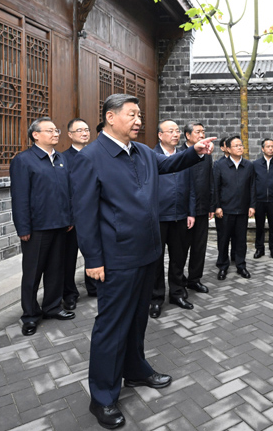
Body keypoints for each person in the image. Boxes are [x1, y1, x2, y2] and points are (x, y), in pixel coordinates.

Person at [70, 94, 216, 429]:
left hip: (147, 253)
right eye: (132, 115)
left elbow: (167, 165)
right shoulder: (91, 157)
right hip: (116, 257)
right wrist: (92, 259)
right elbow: (85, 213)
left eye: (140, 115)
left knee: (137, 320)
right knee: (111, 326)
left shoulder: (143, 153)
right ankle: (103, 397)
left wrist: (194, 153)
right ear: (110, 117)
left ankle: (135, 370)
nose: (139, 121)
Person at [10, 117, 76, 338]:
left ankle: (52, 307)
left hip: (60, 225)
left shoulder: (61, 159)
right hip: (37, 228)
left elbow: (68, 191)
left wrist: (69, 218)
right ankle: (30, 315)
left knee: (56, 269)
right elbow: (19, 197)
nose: (56, 133)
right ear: (35, 135)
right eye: (50, 130)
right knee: (33, 273)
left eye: (56, 130)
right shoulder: (24, 160)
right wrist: (23, 227)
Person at [150, 120, 196, 318]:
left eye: (177, 131)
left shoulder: (184, 156)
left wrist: (191, 212)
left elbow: (191, 187)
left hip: (180, 216)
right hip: (158, 217)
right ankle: (155, 298)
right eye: (171, 131)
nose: (175, 134)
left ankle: (177, 293)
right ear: (160, 135)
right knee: (156, 260)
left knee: (178, 257)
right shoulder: (151, 156)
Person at [61, 118, 96, 303]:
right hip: (73, 218)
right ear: (70, 135)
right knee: (69, 258)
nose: (84, 133)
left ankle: (94, 286)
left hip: (95, 215)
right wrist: (69, 217)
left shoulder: (96, 154)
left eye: (87, 129)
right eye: (80, 130)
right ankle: (69, 293)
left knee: (94, 251)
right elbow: (63, 191)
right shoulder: (63, 159)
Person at [213, 136, 256, 280]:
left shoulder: (248, 166)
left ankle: (241, 266)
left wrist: (252, 205)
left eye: (241, 145)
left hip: (242, 210)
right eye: (236, 145)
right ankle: (223, 266)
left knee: (241, 240)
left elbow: (252, 187)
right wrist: (217, 207)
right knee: (223, 240)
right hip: (225, 211)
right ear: (228, 149)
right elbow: (215, 187)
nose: (239, 148)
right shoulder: (219, 165)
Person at [180, 122, 212, 297]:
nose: (201, 135)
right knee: (181, 248)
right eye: (198, 132)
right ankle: (179, 280)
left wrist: (211, 205)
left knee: (199, 247)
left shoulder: (207, 154)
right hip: (184, 211)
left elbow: (210, 180)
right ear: (187, 135)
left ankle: (195, 279)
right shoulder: (180, 154)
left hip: (202, 208)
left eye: (203, 131)